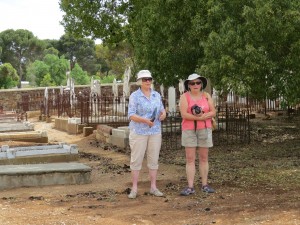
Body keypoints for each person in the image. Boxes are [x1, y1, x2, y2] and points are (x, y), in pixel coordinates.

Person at [127, 70, 167, 199]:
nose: (148, 81)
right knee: (136, 159)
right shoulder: (135, 96)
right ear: (140, 81)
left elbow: (161, 109)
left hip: (154, 131)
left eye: (149, 79)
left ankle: (153, 187)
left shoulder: (156, 95)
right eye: (145, 79)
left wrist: (163, 114)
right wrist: (144, 120)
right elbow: (131, 115)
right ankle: (134, 188)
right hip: (139, 131)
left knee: (153, 159)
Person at [179, 73, 216, 195]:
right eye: (192, 83)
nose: (195, 85)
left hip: (204, 129)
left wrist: (205, 116)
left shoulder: (206, 96)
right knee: (190, 159)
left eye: (198, 82)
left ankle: (204, 184)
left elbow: (213, 111)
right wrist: (199, 118)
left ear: (201, 84)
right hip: (189, 130)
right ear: (188, 85)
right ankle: (190, 186)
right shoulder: (185, 97)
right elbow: (184, 114)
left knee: (204, 158)